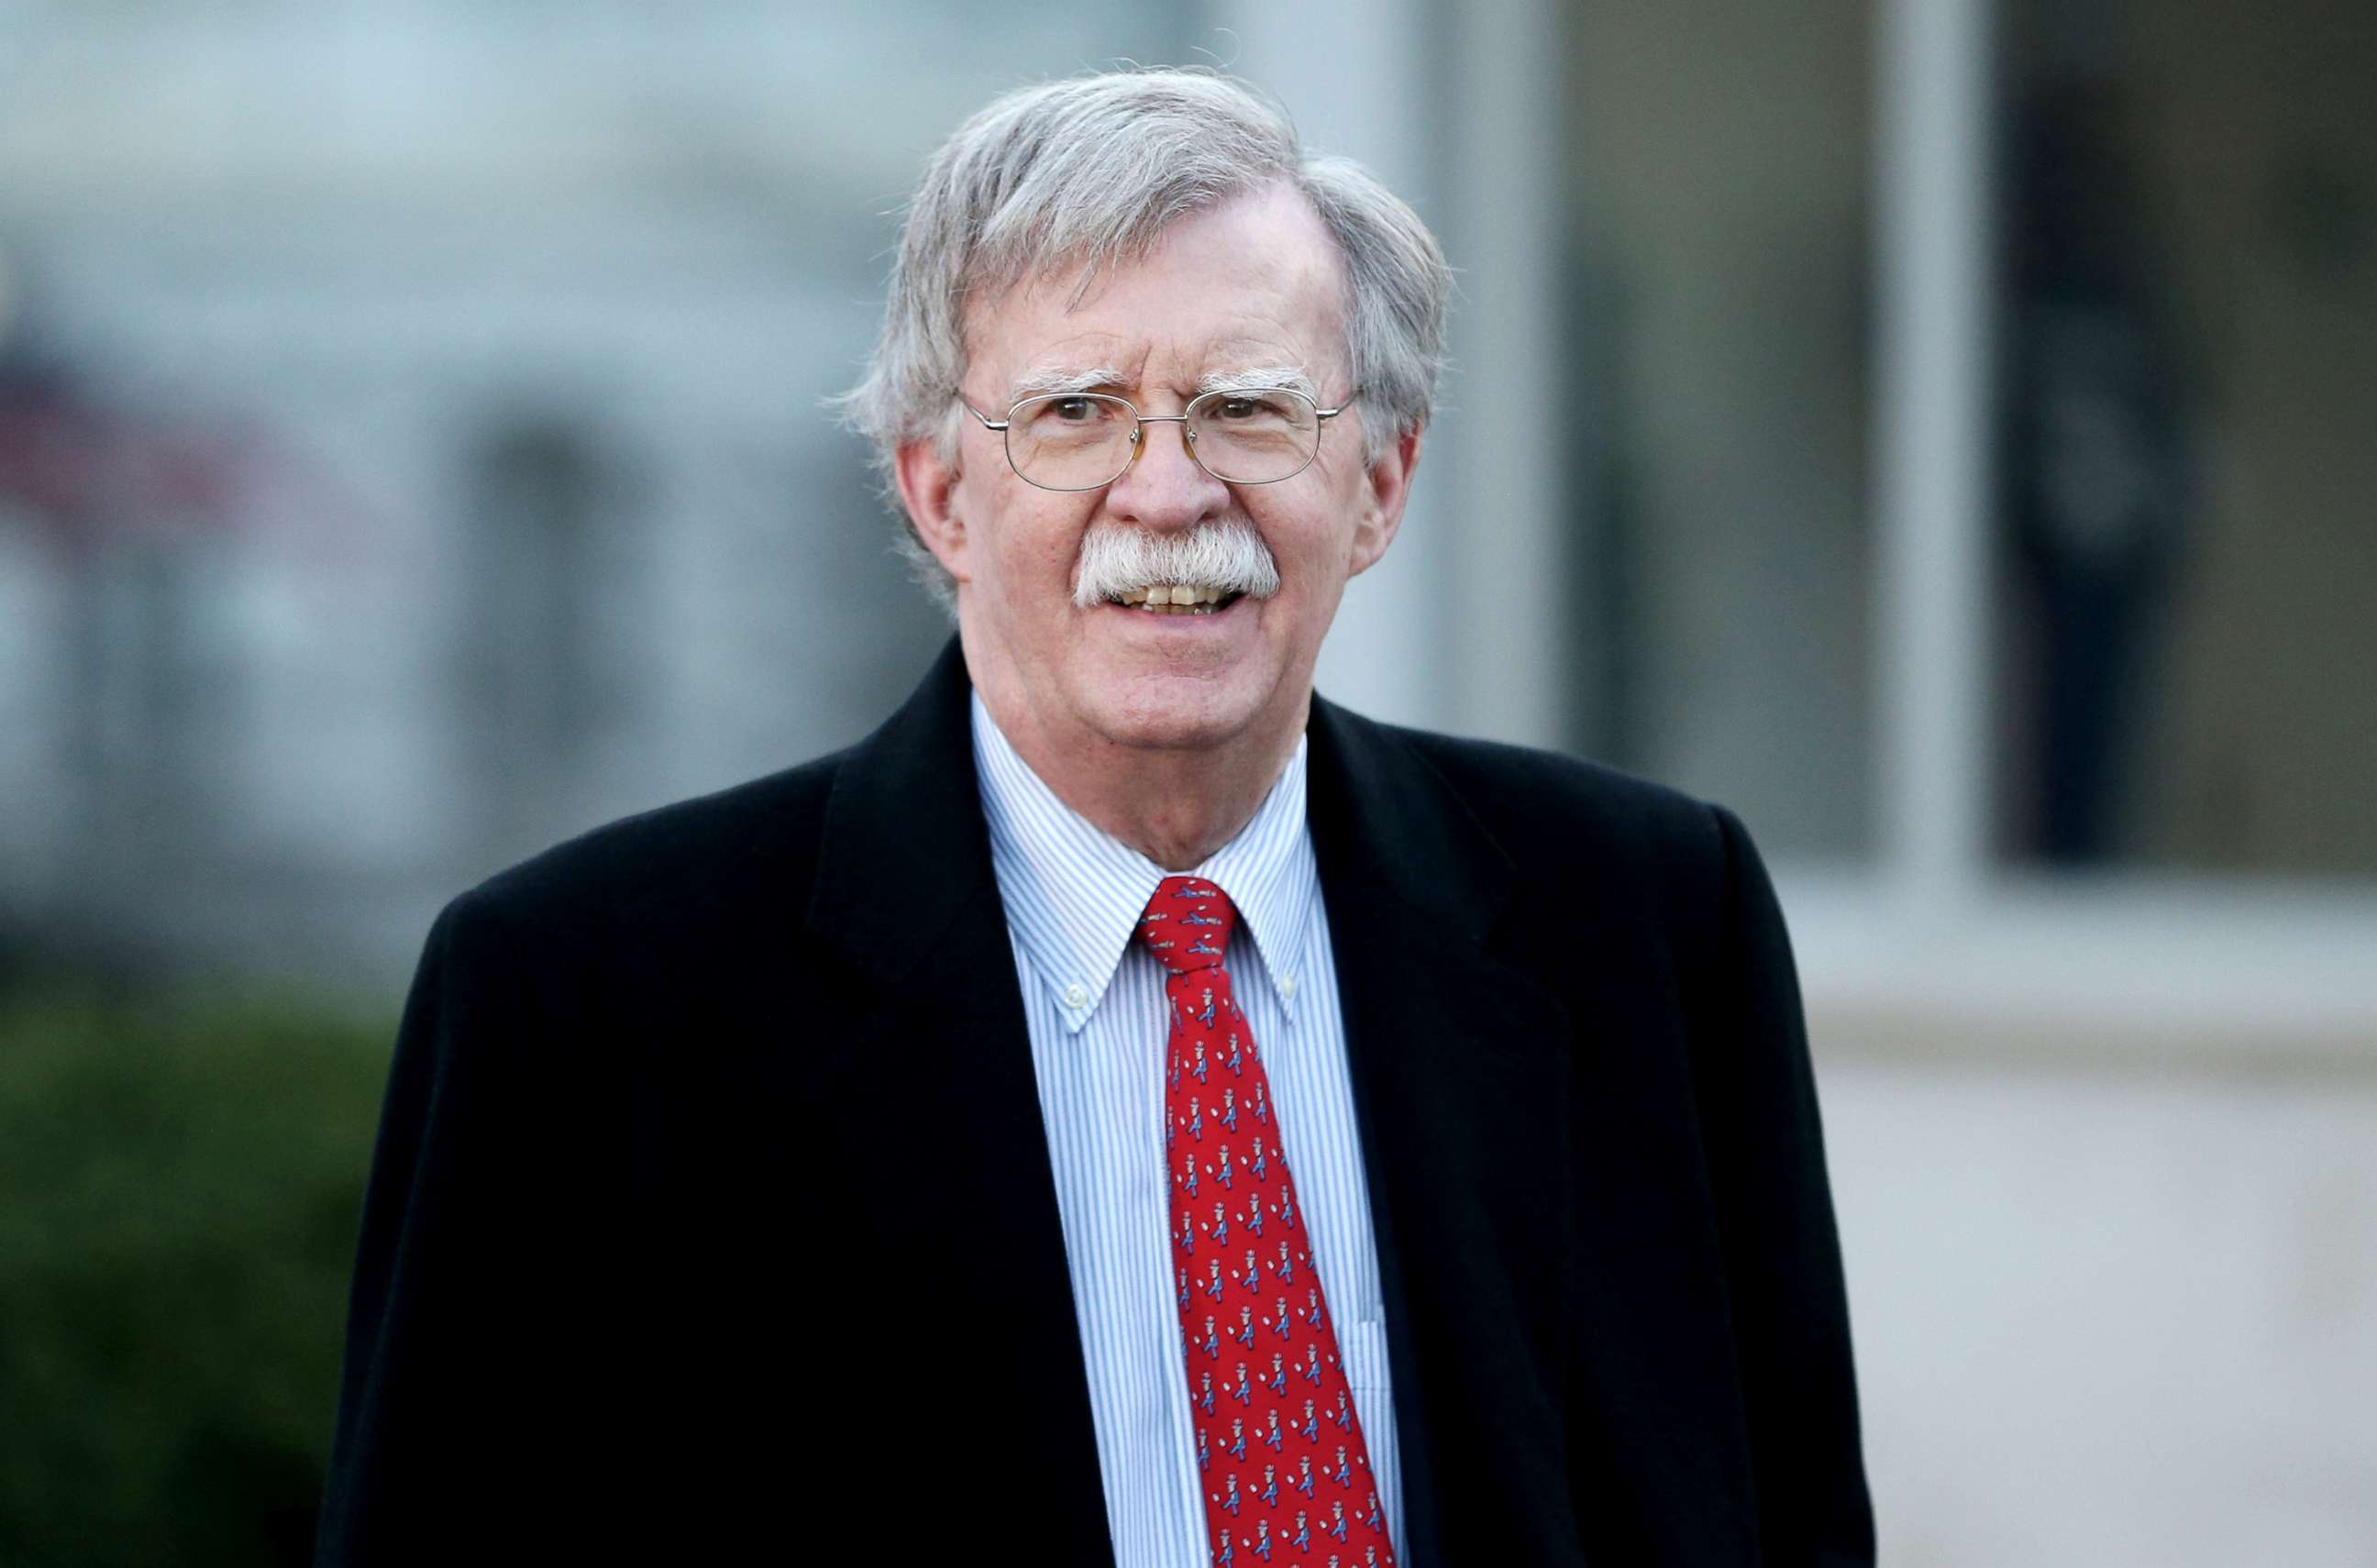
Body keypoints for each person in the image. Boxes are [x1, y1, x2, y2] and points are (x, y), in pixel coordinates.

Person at [315, 68, 1874, 1566]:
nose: (1168, 489)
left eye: (1249, 409)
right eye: (1074, 412)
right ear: (938, 493)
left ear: (1382, 482)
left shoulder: (1657, 928)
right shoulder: (582, 1014)